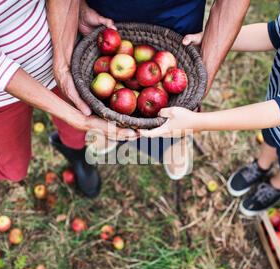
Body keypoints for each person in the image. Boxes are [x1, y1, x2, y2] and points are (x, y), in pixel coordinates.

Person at [0, 0, 137, 219]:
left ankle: (75, 153)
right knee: (14, 168)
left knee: (76, 134)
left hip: (59, 53)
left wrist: (76, 9)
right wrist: (78, 118)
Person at [140, 0, 280, 216]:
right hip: (275, 106)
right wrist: (207, 39)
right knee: (269, 138)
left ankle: (278, 185)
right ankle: (261, 165)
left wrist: (198, 122)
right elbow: (275, 32)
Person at [77, 0, 251, 179]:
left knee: (177, 109)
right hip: (107, 18)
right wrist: (79, 6)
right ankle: (112, 134)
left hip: (178, 20)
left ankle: (173, 142)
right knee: (106, 105)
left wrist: (206, 70)